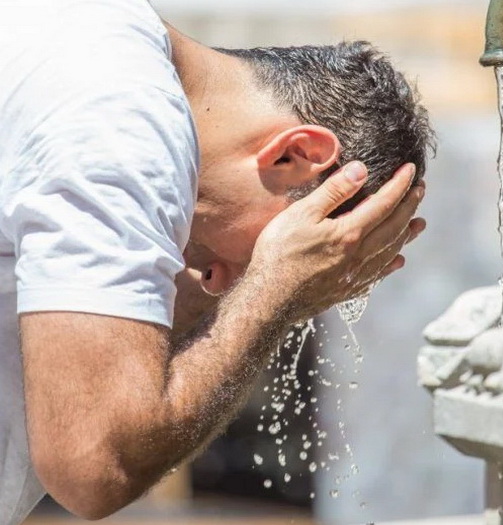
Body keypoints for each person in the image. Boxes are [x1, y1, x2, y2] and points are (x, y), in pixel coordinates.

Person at [0, 0, 434, 523]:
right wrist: (275, 291)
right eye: (271, 251)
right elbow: (94, 466)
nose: (222, 284)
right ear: (292, 156)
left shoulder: (96, 51)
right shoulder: (123, 123)